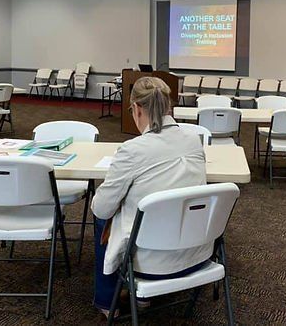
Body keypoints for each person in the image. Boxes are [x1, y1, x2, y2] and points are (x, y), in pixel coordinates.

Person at [91, 77, 212, 317]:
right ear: (169, 107)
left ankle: (107, 302)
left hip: (150, 264)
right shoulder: (194, 141)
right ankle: (142, 298)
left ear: (135, 109)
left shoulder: (132, 150)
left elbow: (101, 209)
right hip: (199, 255)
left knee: (104, 217)